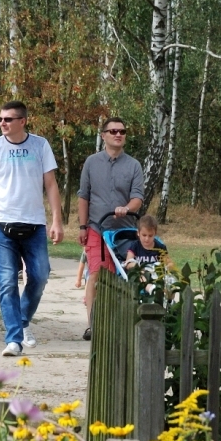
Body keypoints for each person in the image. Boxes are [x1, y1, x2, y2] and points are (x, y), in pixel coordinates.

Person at [0, 100, 65, 357]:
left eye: (8, 119)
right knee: (7, 282)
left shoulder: (40, 145)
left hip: (34, 224)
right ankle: (13, 339)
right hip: (2, 225)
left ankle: (23, 320)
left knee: (40, 275)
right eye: (1, 119)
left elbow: (51, 185)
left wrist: (56, 220)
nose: (3, 123)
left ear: (22, 121)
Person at [77, 116, 145, 340]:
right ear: (103, 135)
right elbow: (83, 196)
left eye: (122, 132)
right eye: (113, 131)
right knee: (96, 273)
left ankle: (123, 322)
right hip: (97, 227)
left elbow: (138, 198)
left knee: (126, 273)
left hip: (124, 231)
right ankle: (93, 324)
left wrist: (126, 208)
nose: (118, 135)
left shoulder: (133, 165)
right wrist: (82, 226)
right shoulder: (91, 162)